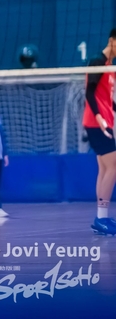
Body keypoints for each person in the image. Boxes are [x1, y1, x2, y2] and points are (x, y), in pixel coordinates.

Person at [84, 29, 116, 235]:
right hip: (97, 123)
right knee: (113, 165)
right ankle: (100, 218)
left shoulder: (110, 66)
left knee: (105, 168)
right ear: (112, 41)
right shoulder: (97, 61)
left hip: (105, 121)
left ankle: (101, 218)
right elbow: (89, 92)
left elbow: (107, 99)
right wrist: (98, 117)